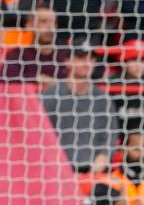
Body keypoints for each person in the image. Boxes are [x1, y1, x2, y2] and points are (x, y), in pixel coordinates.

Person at [41, 46, 118, 174]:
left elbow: (110, 136)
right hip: (55, 169)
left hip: (93, 172)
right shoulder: (50, 96)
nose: (87, 63)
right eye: (80, 57)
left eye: (91, 58)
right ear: (68, 61)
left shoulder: (104, 99)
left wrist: (103, 156)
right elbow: (42, 136)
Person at [2, 0, 67, 87]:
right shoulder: (19, 54)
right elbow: (7, 75)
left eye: (53, 22)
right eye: (43, 22)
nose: (50, 27)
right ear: (29, 25)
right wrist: (39, 78)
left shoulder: (66, 52)